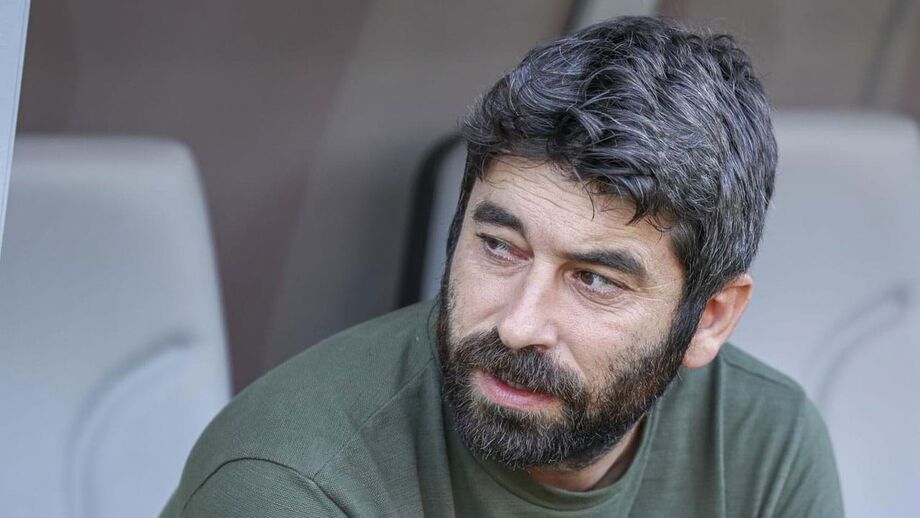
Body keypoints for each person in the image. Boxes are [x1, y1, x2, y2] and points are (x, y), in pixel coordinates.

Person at [162, 16, 844, 517]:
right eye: (500, 247)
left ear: (710, 319)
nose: (519, 326)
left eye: (595, 280)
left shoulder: (766, 446)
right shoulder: (291, 484)